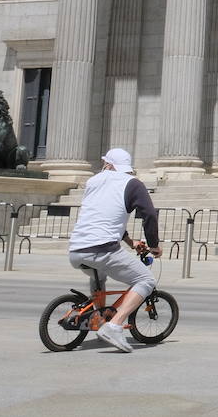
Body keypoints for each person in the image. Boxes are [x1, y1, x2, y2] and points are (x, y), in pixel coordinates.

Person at [68, 149, 161, 353]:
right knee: (146, 280)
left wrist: (130, 242)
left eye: (105, 163)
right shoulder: (133, 184)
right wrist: (153, 246)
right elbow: (149, 216)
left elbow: (106, 216)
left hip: (76, 249)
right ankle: (114, 325)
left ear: (109, 165)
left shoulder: (93, 182)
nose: (104, 166)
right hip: (102, 250)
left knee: (99, 275)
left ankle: (100, 320)